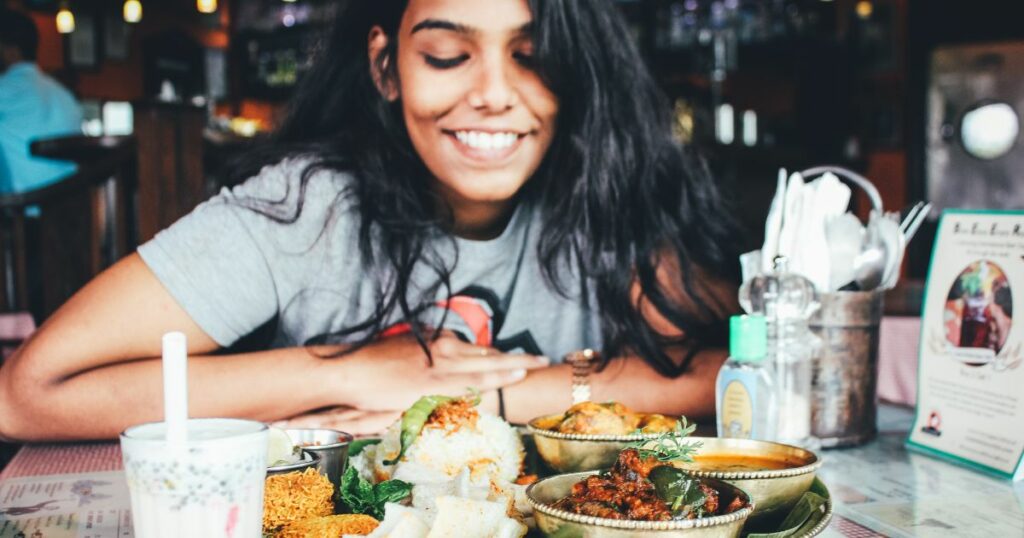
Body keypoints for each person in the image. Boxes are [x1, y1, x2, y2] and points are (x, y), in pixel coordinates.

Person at [0, 0, 741, 442]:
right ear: (387, 68)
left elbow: (736, 367)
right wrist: (352, 370)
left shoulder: (603, 195)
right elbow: (26, 396)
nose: (493, 93)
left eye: (533, 58)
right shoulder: (306, 208)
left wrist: (477, 398)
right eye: (448, 54)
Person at [0, 9, 83, 194]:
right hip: (73, 208)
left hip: (22, 212)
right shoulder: (63, 95)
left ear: (10, 50)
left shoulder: (5, 89)